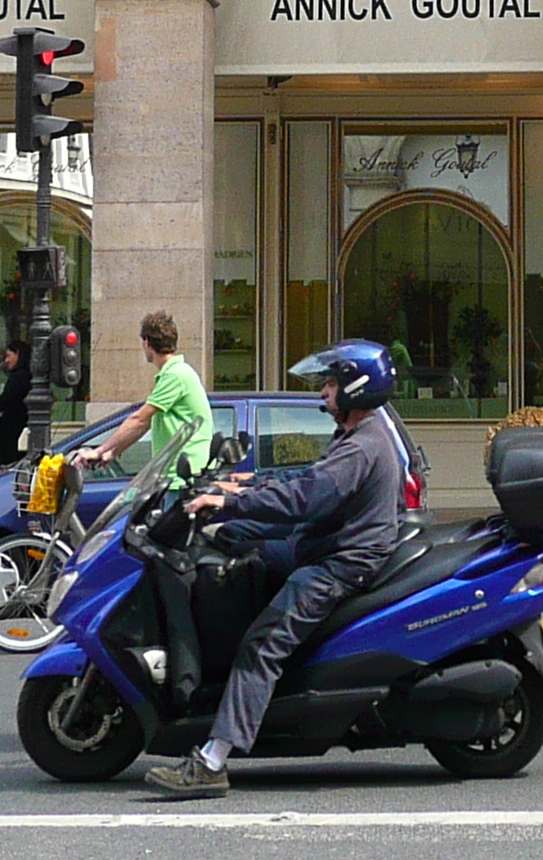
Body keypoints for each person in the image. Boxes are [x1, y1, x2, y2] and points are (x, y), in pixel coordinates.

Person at [140, 341, 406, 800]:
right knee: (243, 544)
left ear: (355, 389)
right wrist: (243, 485)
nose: (324, 392)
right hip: (320, 546)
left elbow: (306, 499)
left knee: (261, 644)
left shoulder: (363, 445)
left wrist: (229, 500)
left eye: (330, 384)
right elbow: (311, 479)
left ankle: (212, 761)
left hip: (338, 564)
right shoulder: (359, 434)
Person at [77, 310, 213, 491]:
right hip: (176, 475)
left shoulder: (176, 375)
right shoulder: (176, 373)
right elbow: (145, 423)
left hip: (183, 478)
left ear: (147, 342)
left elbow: (139, 418)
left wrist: (98, 450)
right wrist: (114, 451)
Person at [0, 342, 32, 464]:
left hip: (12, 434)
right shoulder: (28, 376)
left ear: (17, 353)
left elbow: (6, 399)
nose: (6, 361)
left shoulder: (18, 377)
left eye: (8, 355)